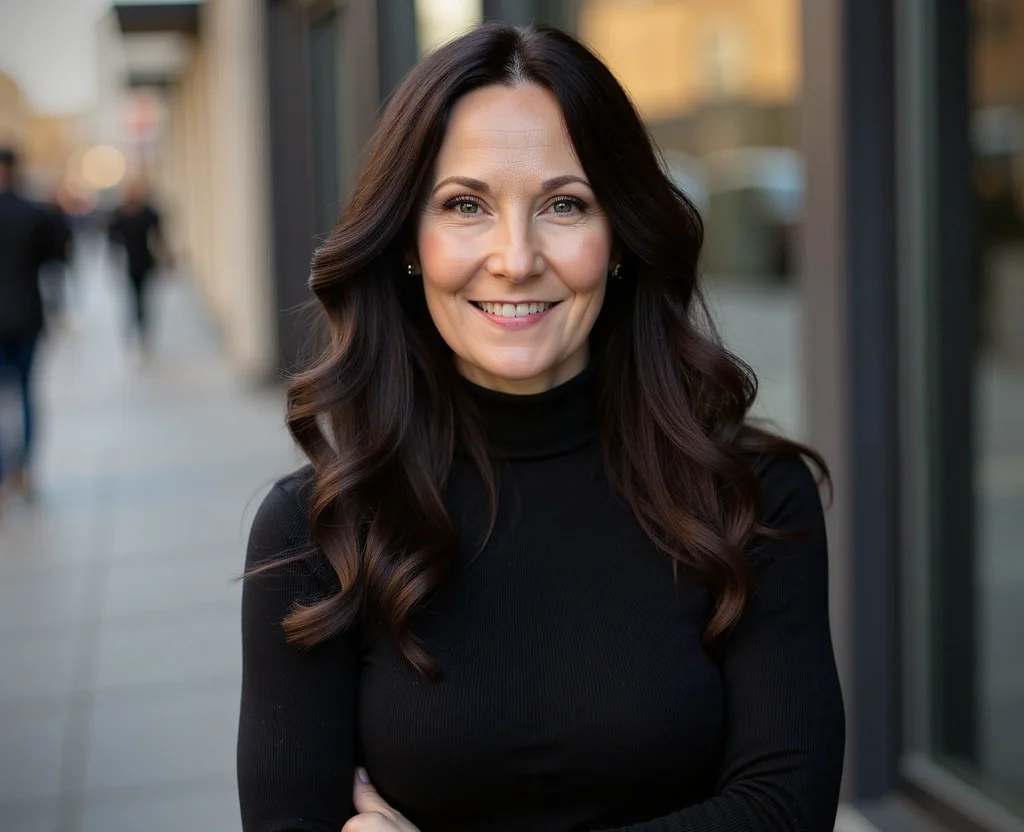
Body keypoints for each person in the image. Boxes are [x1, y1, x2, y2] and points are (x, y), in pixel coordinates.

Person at [238, 23, 845, 832]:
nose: (516, 257)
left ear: (620, 238)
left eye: (564, 204)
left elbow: (782, 813)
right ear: (409, 242)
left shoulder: (750, 496)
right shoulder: (319, 531)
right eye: (465, 206)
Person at [0, 148, 61, 508]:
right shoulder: (33, 212)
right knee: (25, 394)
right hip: (26, 316)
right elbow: (55, 258)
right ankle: (25, 469)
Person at [106, 179, 165, 354]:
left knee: (144, 299)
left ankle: (144, 333)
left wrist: (165, 257)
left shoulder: (148, 213)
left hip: (146, 262)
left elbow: (158, 237)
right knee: (132, 299)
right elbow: (112, 240)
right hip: (128, 264)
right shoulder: (119, 214)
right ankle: (135, 333)